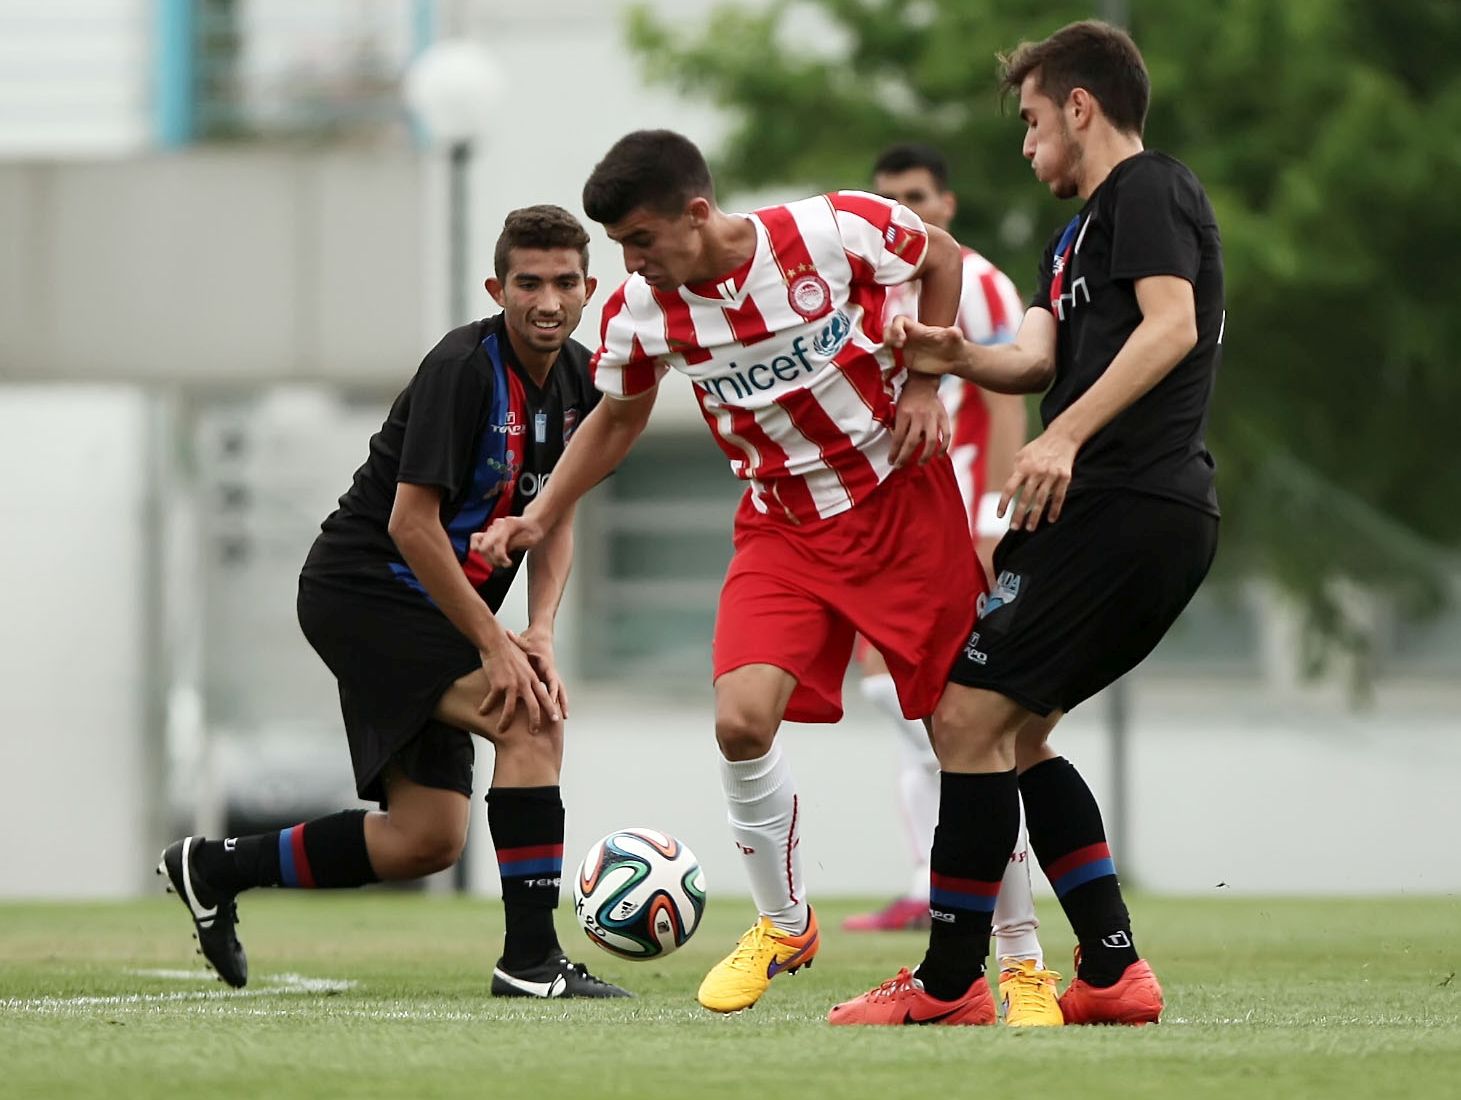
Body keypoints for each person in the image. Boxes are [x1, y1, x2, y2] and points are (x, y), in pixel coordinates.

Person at [475, 129, 979, 1015]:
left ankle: (1012, 961)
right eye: (622, 245)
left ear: (697, 214)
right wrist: (541, 513)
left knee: (966, 736)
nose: (630, 262)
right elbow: (617, 420)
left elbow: (939, 257)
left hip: (899, 507)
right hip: (781, 529)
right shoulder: (640, 310)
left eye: (640, 239)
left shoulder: (829, 230)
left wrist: (924, 384)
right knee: (740, 723)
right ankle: (784, 925)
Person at [827, 20, 1223, 1026]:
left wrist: (1064, 437)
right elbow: (1038, 362)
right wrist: (951, 354)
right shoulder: (1069, 239)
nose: (1026, 141)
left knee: (964, 718)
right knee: (1017, 733)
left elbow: (1171, 326)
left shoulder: (1150, 189)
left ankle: (949, 983)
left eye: (1033, 119)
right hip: (1101, 511)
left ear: (1080, 108)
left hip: (1130, 501)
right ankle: (1112, 970)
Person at [157, 205, 630, 1000]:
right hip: (364, 591)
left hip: (437, 612)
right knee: (531, 720)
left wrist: (540, 629)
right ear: (497, 289)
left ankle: (213, 867)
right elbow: (410, 525)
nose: (547, 300)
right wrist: (494, 643)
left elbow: (554, 519)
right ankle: (530, 962)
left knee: (424, 839)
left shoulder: (584, 380)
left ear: (589, 289)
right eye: (528, 283)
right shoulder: (462, 368)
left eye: (563, 282)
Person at [843, 141, 1059, 1027]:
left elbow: (1007, 396)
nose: (905, 210)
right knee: (909, 716)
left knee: (963, 730)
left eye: (917, 195)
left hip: (961, 522)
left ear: (948, 203)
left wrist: (996, 521)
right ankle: (930, 888)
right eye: (889, 198)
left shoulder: (977, 283)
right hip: (891, 530)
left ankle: (1000, 928)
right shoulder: (873, 287)